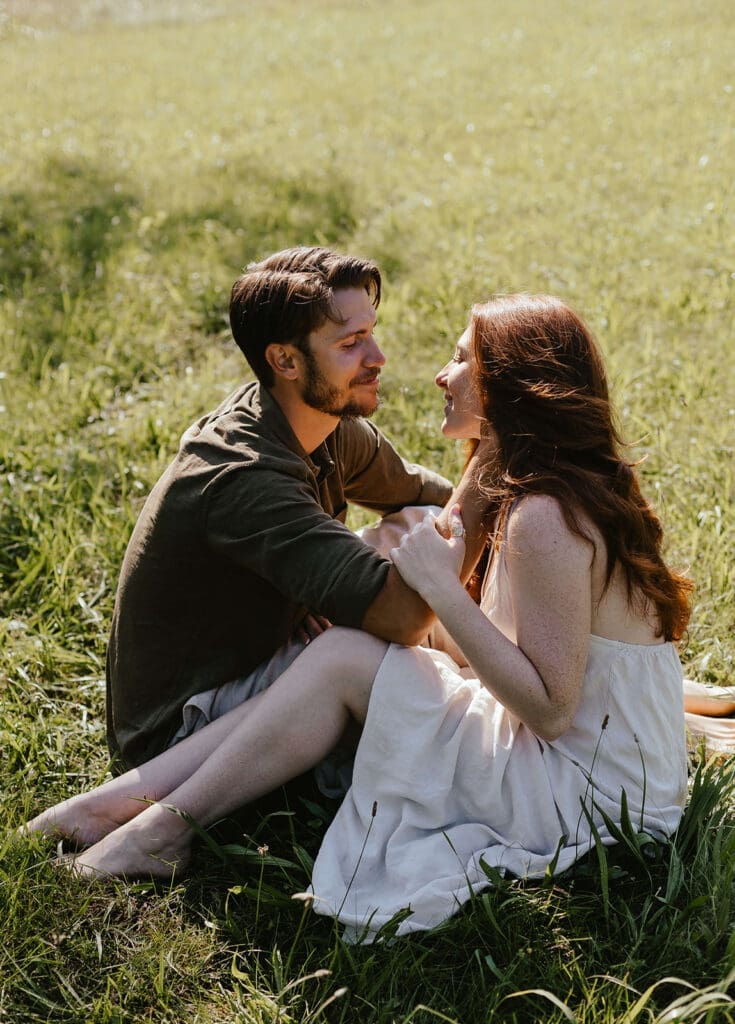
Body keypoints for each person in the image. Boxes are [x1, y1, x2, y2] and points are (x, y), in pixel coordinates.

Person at [24, 294, 692, 942]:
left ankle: (160, 830)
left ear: (508, 388)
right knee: (351, 650)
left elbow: (548, 710)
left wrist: (443, 593)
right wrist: (475, 491)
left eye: (463, 362)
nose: (441, 373)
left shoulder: (545, 517)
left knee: (347, 656)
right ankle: (119, 807)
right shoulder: (534, 487)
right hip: (575, 757)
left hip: (588, 792)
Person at [105, 245, 488, 772]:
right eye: (352, 344)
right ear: (285, 361)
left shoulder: (329, 427)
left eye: (371, 333)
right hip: (187, 725)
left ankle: (506, 663)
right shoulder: (244, 476)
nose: (377, 357)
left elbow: (426, 497)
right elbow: (401, 617)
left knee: (420, 528)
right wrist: (495, 461)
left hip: (263, 655)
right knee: (374, 649)